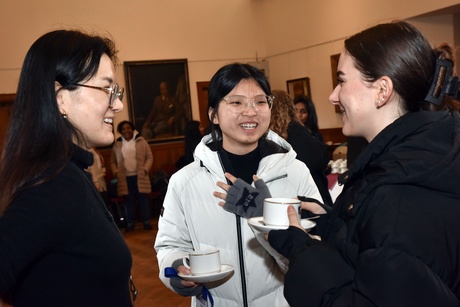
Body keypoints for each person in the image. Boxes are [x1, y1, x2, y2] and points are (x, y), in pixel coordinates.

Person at [264, 21, 460, 306]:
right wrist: (333, 222)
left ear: (382, 90)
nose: (333, 95)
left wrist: (303, 252)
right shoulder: (417, 161)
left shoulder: (399, 195)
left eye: (342, 80)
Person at [154, 63, 323, 307]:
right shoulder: (184, 181)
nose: (251, 112)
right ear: (213, 114)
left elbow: (316, 251)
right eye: (236, 102)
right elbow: (170, 245)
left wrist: (266, 218)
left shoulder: (294, 171)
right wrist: (177, 270)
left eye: (260, 101)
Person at [0, 30, 134, 306]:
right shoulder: (53, 185)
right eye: (107, 89)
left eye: (116, 92)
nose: (118, 104)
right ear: (60, 98)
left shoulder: (70, 173)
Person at [270, 89, 333, 208]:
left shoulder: (273, 134)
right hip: (310, 193)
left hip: (289, 195)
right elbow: (320, 159)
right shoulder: (296, 129)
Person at [111, 120, 153, 232]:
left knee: (143, 200)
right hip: (125, 178)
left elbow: (149, 157)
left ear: (132, 129)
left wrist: (146, 168)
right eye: (123, 129)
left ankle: (146, 222)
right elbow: (112, 161)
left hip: (140, 176)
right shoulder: (117, 144)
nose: (126, 131)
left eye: (128, 128)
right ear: (120, 131)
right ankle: (130, 223)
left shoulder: (141, 141)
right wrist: (115, 170)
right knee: (128, 202)